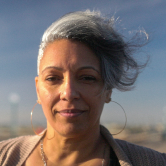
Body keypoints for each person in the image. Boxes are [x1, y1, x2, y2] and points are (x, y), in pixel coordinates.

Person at [0, 10, 166, 166]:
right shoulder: (4, 156)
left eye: (87, 78)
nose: (69, 93)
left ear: (108, 89)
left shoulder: (153, 162)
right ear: (37, 89)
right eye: (53, 78)